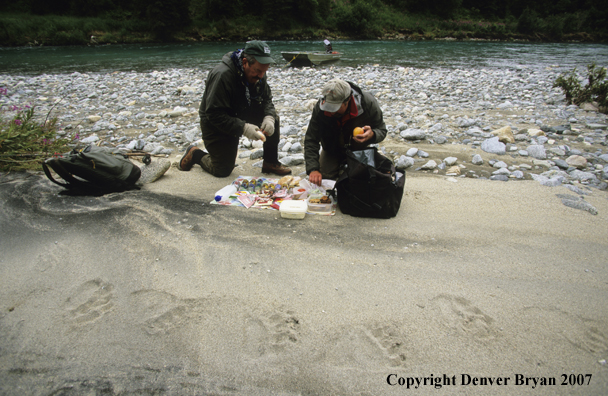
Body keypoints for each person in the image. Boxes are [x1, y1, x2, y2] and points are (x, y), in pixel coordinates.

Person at [179, 40, 291, 177]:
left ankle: (270, 162)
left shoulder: (259, 72)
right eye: (257, 71)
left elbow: (267, 100)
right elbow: (213, 114)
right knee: (222, 170)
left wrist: (269, 117)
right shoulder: (222, 75)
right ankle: (195, 153)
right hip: (216, 121)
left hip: (243, 109)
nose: (261, 76)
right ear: (245, 62)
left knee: (273, 118)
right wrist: (243, 128)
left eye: (264, 71)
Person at [304, 78, 387, 186]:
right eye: (328, 107)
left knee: (364, 181)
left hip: (359, 149)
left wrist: (372, 135)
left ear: (347, 100)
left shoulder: (367, 103)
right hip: (332, 149)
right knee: (323, 179)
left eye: (335, 108)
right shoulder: (320, 108)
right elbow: (311, 139)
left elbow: (382, 130)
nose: (331, 111)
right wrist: (313, 168)